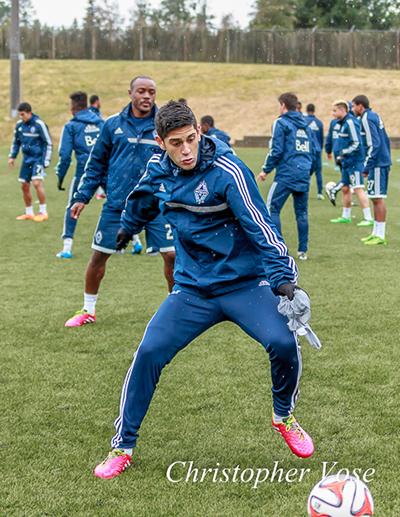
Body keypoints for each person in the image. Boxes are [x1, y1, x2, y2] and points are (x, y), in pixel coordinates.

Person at [93, 100, 317, 479]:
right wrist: (125, 230)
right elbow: (144, 201)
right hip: (193, 289)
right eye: (175, 143)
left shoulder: (228, 171)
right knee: (148, 352)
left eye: (191, 139)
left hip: (246, 284)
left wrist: (284, 281)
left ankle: (284, 416)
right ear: (159, 141)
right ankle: (122, 447)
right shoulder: (159, 171)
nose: (185, 150)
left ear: (200, 132)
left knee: (283, 343)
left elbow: (262, 229)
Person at [64, 76, 175, 327]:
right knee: (99, 256)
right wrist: (82, 197)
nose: (147, 96)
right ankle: (88, 310)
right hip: (118, 205)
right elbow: (96, 164)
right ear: (130, 93)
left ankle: (175, 312)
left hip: (157, 204)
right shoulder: (112, 124)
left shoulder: (164, 126)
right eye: (141, 91)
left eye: (152, 92)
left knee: (172, 256)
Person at [257, 92, 314, 261]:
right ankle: (302, 251)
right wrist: (307, 171)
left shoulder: (281, 123)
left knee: (272, 208)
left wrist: (265, 170)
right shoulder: (307, 125)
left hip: (287, 173)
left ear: (283, 105)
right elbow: (314, 152)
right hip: (303, 172)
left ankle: (279, 249)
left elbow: (276, 150)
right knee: (301, 212)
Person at [55, 91, 104, 258]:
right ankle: (135, 241)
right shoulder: (102, 123)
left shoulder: (71, 126)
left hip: (86, 171)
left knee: (73, 205)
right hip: (106, 169)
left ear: (75, 106)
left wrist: (60, 177)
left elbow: (65, 155)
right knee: (118, 202)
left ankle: (67, 247)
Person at [352, 95, 391, 245]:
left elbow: (374, 144)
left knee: (377, 198)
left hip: (377, 163)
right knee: (375, 198)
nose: (353, 109)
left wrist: (367, 167)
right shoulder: (374, 116)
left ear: (360, 106)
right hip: (381, 161)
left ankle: (380, 235)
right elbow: (385, 139)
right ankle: (375, 232)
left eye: (354, 106)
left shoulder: (366, 118)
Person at [329, 100, 373, 227]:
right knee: (344, 187)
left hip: (355, 162)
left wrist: (343, 153)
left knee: (358, 188)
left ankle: (368, 217)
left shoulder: (350, 122)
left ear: (343, 110)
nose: (333, 113)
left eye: (334, 110)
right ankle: (346, 216)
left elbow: (357, 143)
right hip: (347, 162)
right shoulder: (342, 123)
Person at [8, 102, 53, 221]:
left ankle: (43, 211)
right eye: (19, 115)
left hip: (37, 159)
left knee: (37, 183)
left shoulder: (39, 124)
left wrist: (46, 160)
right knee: (24, 185)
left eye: (23, 115)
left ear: (29, 113)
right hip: (26, 159)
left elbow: (48, 143)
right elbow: (16, 141)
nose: (21, 117)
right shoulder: (19, 125)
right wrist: (12, 156)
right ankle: (29, 212)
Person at [304, 104, 324, 200]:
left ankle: (305, 191)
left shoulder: (304, 122)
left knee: (307, 172)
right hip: (317, 150)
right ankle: (320, 193)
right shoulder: (319, 123)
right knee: (318, 172)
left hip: (307, 150)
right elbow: (321, 138)